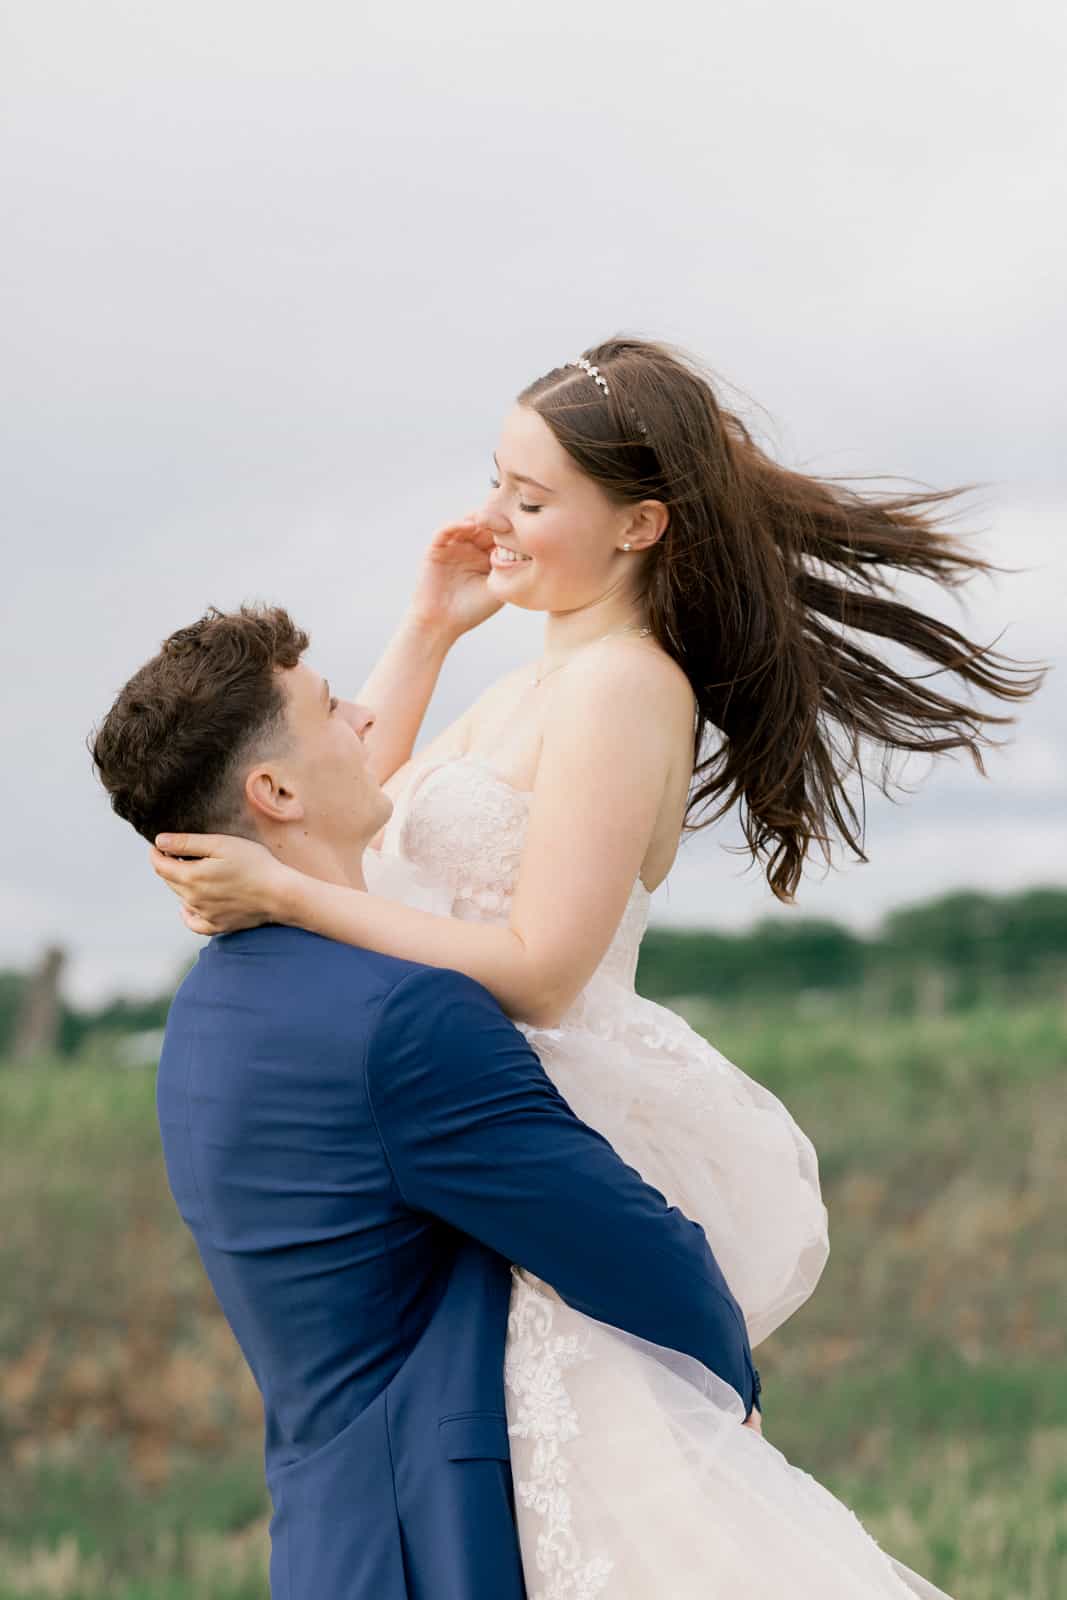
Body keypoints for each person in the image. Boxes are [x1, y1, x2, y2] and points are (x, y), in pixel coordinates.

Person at [150, 337, 1044, 1596]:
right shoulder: (539, 675)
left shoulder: (626, 687)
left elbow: (542, 968)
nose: (493, 520)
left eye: (529, 499)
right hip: (455, 1144)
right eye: (493, 482)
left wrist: (285, 892)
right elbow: (357, 807)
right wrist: (426, 626)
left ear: (637, 524)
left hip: (529, 1132)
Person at [89, 605, 762, 1600]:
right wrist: (729, 1385)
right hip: (440, 1544)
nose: (365, 720)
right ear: (271, 789)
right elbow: (622, 1239)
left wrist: (435, 613)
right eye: (330, 707)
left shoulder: (209, 1010)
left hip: (325, 1542)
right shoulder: (405, 1021)